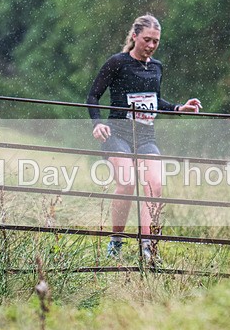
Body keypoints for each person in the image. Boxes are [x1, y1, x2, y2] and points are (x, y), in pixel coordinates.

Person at [86, 14, 201, 262]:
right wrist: (96, 124)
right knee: (127, 183)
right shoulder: (117, 63)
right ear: (135, 36)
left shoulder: (157, 67)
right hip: (117, 133)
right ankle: (115, 242)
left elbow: (155, 101)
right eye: (146, 39)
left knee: (154, 186)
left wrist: (179, 108)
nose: (150, 45)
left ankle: (147, 247)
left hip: (146, 135)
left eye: (155, 42)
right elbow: (93, 96)